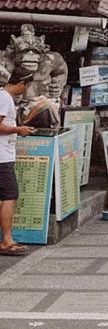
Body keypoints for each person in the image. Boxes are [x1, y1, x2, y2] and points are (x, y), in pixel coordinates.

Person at [0, 69, 34, 256]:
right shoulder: (4, 98)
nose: (25, 89)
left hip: (5, 154)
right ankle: (7, 240)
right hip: (2, 156)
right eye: (26, 86)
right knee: (9, 195)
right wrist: (18, 129)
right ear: (21, 83)